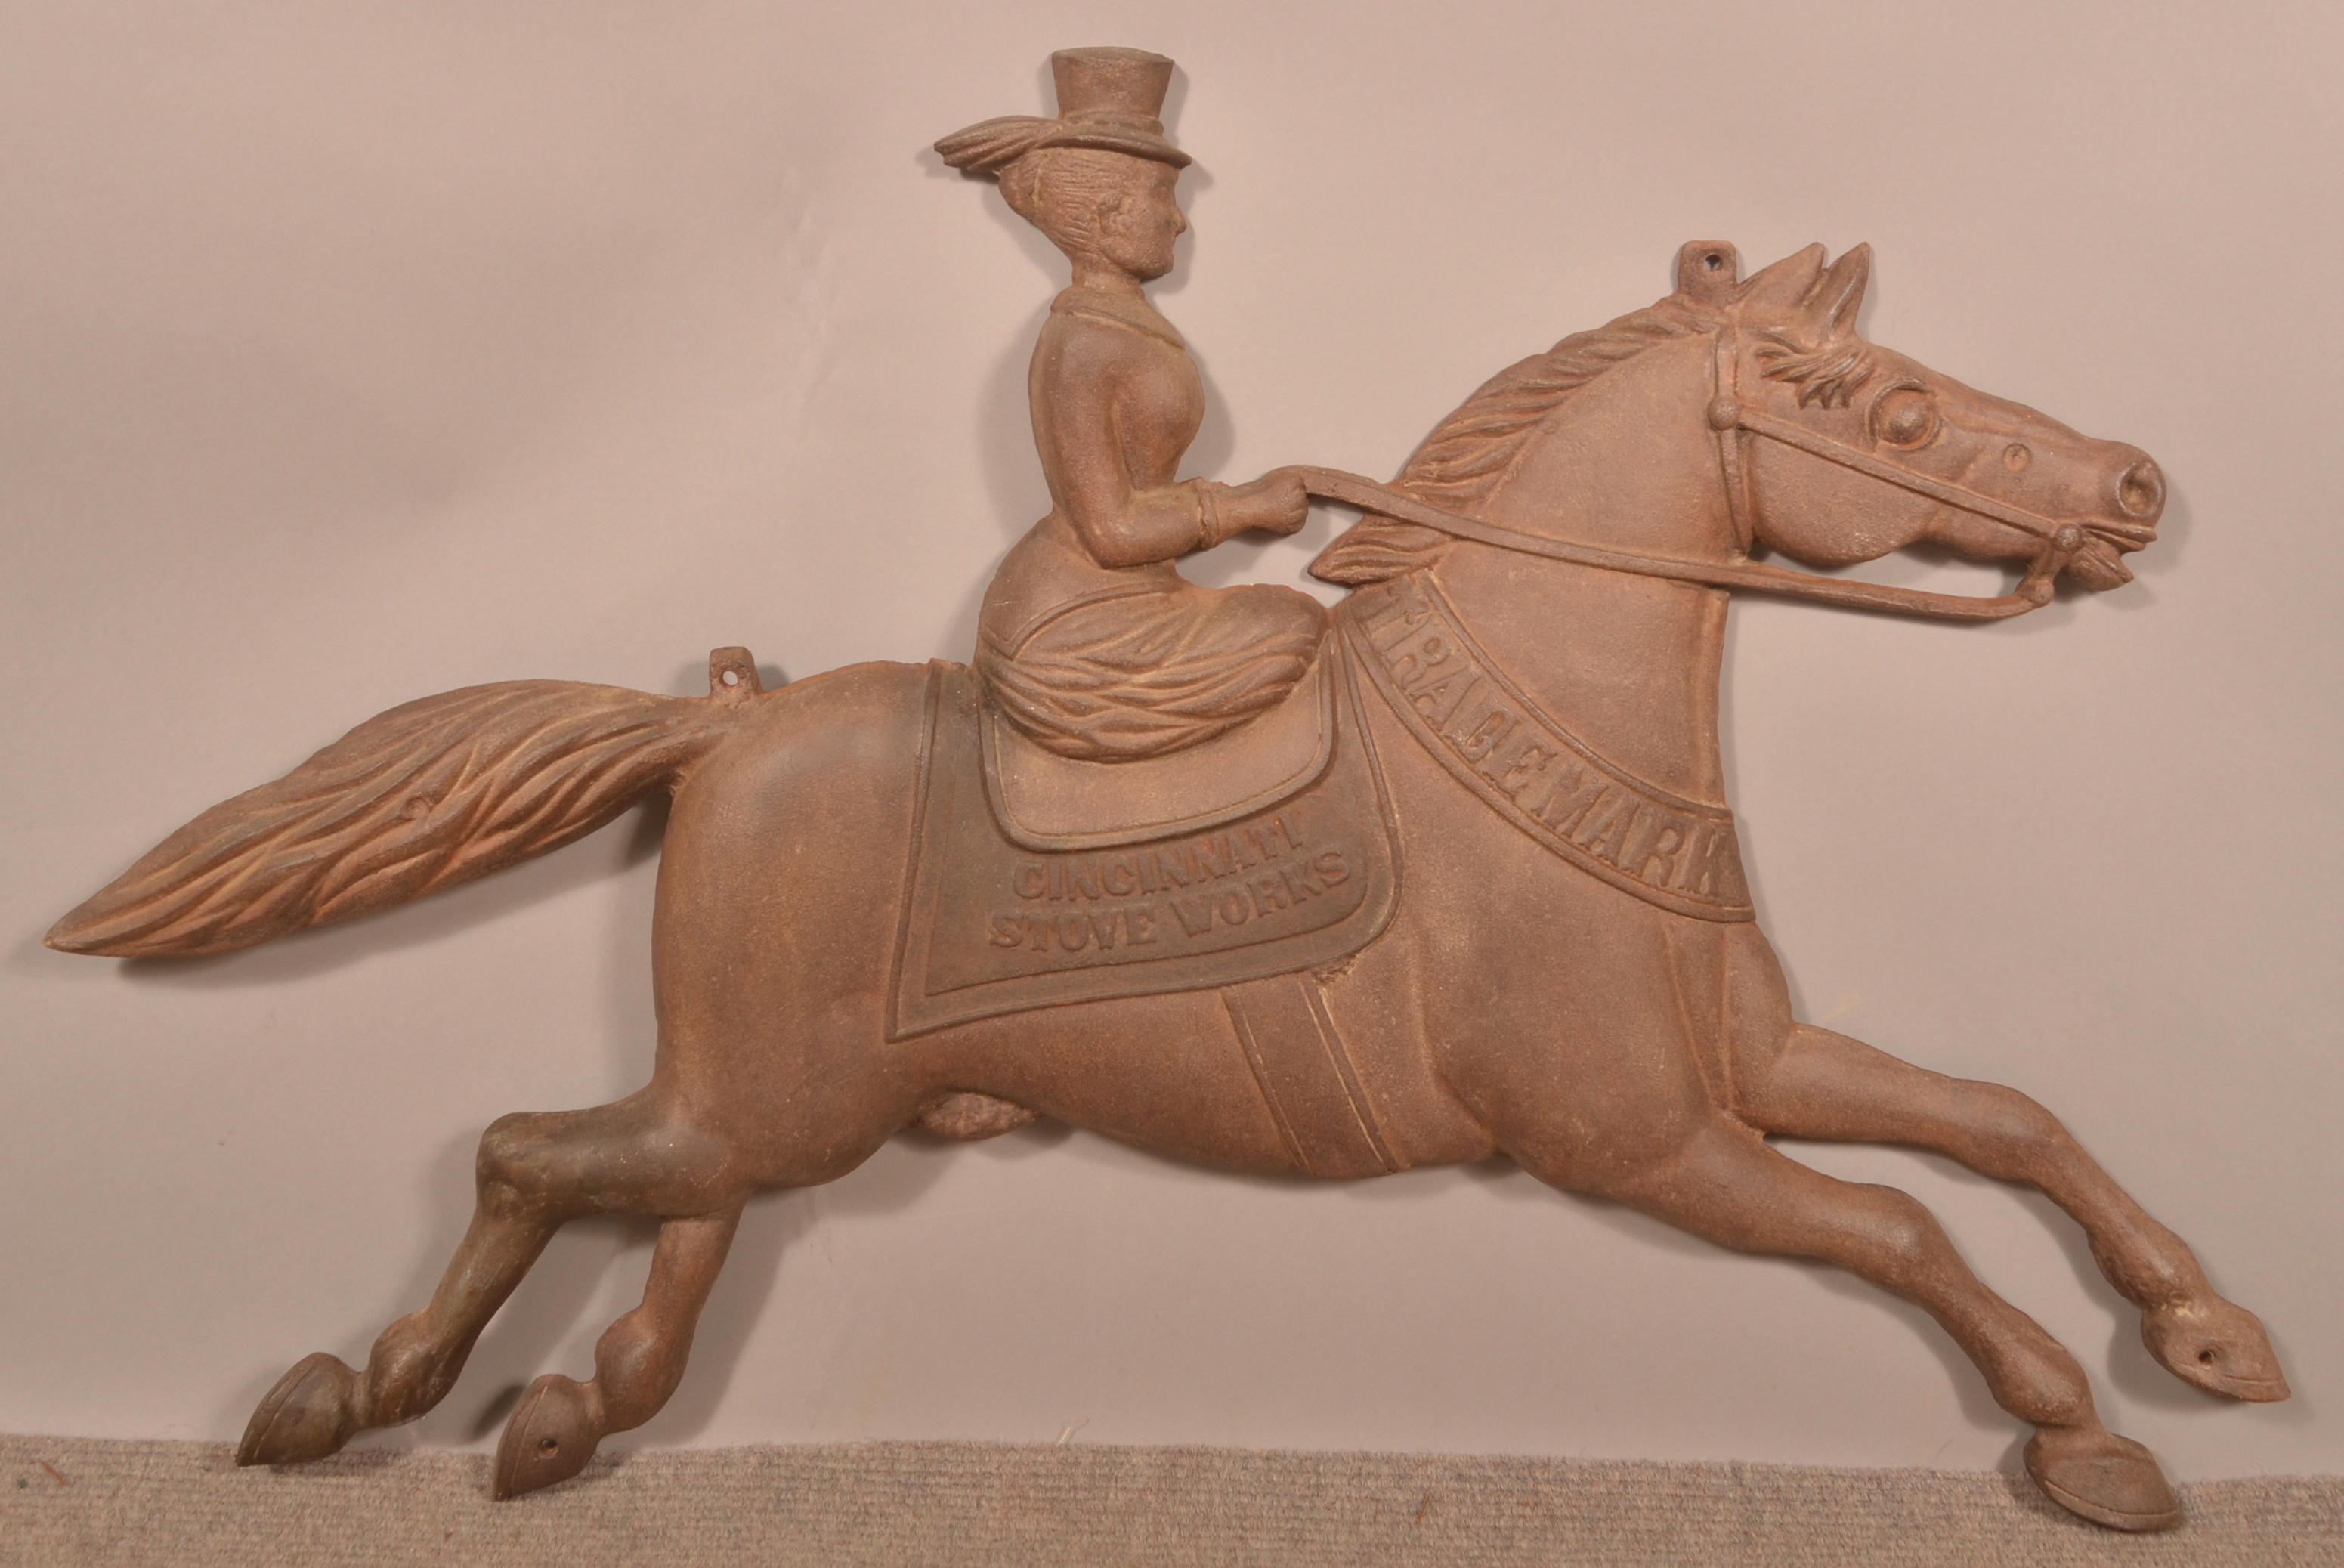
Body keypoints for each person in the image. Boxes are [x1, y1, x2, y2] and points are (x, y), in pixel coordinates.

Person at [936, 48, 1327, 762]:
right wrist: (1244, 507)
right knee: (1296, 629)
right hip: (1070, 623)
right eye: (1164, 200)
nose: (1179, 223)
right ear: (1108, 214)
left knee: (1298, 624)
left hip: (1131, 598)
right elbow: (1111, 532)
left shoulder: (1117, 324)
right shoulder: (1081, 345)